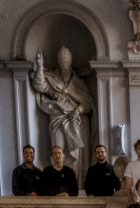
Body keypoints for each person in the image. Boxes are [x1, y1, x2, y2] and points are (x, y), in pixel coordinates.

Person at [29, 47, 95, 177]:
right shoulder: (53, 78)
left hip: (76, 119)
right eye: (61, 59)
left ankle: (75, 180)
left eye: (66, 59)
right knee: (58, 148)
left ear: (70, 61)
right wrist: (40, 67)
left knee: (76, 152)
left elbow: (88, 104)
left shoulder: (78, 83)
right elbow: (40, 85)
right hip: (58, 117)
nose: (64, 61)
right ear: (58, 61)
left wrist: (78, 110)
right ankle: (57, 180)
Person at [40, 144, 79, 208]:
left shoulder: (69, 172)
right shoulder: (47, 171)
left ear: (63, 156)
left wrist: (67, 195)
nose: (57, 155)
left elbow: (75, 190)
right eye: (55, 153)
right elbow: (42, 189)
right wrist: (56, 195)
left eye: (59, 153)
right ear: (52, 156)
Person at [82, 143, 120, 208]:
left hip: (109, 205)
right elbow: (87, 186)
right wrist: (90, 195)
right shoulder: (91, 170)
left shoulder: (112, 169)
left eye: (102, 152)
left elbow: (118, 186)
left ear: (106, 153)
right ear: (95, 154)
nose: (100, 154)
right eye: (98, 152)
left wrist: (114, 197)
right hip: (95, 205)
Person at [12, 144, 42, 208]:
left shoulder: (38, 172)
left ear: (34, 155)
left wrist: (37, 195)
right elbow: (15, 190)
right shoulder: (18, 171)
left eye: (31, 153)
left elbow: (43, 189)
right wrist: (28, 195)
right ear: (23, 155)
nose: (29, 155)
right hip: (25, 207)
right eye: (26, 153)